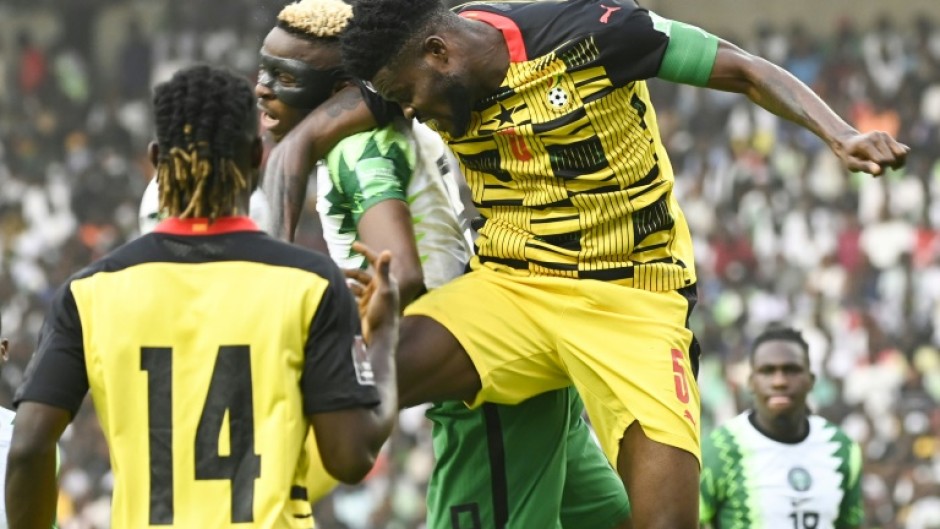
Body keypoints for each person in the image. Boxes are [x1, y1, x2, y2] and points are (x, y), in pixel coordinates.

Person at [337, 0, 909, 526]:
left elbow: (745, 69)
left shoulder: (595, 31)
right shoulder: (408, 67)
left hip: (634, 297)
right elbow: (316, 124)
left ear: (440, 52)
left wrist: (840, 135)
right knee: (346, 384)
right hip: (512, 288)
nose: (407, 109)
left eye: (409, 93)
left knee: (665, 520)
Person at [257, 1, 631, 527]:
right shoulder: (377, 133)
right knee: (611, 519)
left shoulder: (355, 151)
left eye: (285, 76)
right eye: (263, 70)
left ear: (343, 88)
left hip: (486, 381)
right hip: (518, 362)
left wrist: (344, 336)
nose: (262, 88)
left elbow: (401, 274)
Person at [6, 64, 400, 529]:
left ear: (155, 159)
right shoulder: (309, 282)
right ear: (257, 157)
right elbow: (351, 456)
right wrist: (384, 337)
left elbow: (29, 445)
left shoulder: (89, 291)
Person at [700, 327, 863, 529]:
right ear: (751, 382)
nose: (779, 381)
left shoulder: (841, 448)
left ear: (811, 381)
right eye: (767, 371)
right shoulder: (718, 449)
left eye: (791, 370)